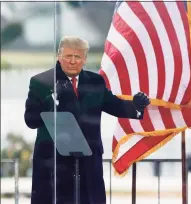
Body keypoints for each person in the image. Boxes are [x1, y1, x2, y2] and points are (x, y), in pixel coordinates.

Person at [24, 36, 150, 204]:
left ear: (85, 59)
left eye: (78, 57)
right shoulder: (42, 82)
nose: (72, 61)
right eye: (68, 56)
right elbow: (30, 120)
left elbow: (114, 105)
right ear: (58, 56)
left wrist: (136, 105)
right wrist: (51, 99)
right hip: (54, 164)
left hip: (88, 161)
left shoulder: (95, 81)